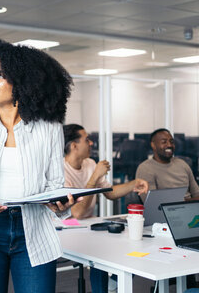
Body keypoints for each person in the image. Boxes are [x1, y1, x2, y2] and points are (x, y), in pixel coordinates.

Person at [0, 40, 77, 293]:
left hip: (34, 232)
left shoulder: (49, 128)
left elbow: (54, 183)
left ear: (23, 83)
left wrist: (59, 203)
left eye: (0, 75)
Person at [63, 124, 149, 293]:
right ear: (74, 146)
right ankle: (106, 288)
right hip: (66, 227)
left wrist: (134, 183)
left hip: (88, 226)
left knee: (131, 242)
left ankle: (112, 284)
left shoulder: (89, 163)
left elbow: (110, 193)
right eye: (87, 140)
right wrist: (95, 175)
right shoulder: (61, 170)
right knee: (100, 249)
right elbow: (77, 212)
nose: (91, 144)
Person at [136, 128, 199, 206]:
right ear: (153, 145)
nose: (169, 145)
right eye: (164, 142)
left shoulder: (182, 164)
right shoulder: (145, 168)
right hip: (165, 217)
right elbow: (154, 204)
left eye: (172, 142)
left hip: (192, 210)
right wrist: (197, 201)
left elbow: (197, 193)